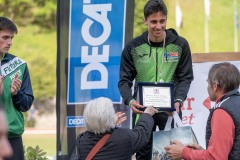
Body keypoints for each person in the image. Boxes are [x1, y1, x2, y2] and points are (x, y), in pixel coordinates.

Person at [118, 0, 193, 159]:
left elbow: (185, 77)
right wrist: (130, 101)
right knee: (143, 153)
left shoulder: (180, 45)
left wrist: (178, 100)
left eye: (162, 21)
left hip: (171, 109)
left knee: (174, 153)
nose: (158, 26)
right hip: (144, 110)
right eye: (153, 21)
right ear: (145, 21)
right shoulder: (133, 47)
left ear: (166, 19)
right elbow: (124, 81)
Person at [164, 62, 240, 160]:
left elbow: (215, 158)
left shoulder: (222, 110)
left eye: (208, 83)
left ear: (215, 86)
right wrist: (202, 152)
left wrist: (184, 152)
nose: (207, 87)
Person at [77, 97, 158, 160]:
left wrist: (110, 124)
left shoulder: (82, 141)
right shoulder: (124, 137)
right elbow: (141, 134)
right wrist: (147, 114)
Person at [0, 17, 34, 160]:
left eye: (12, 38)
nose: (10, 42)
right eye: (5, 37)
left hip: (13, 137)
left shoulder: (19, 65)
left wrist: (16, 94)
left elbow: (26, 104)